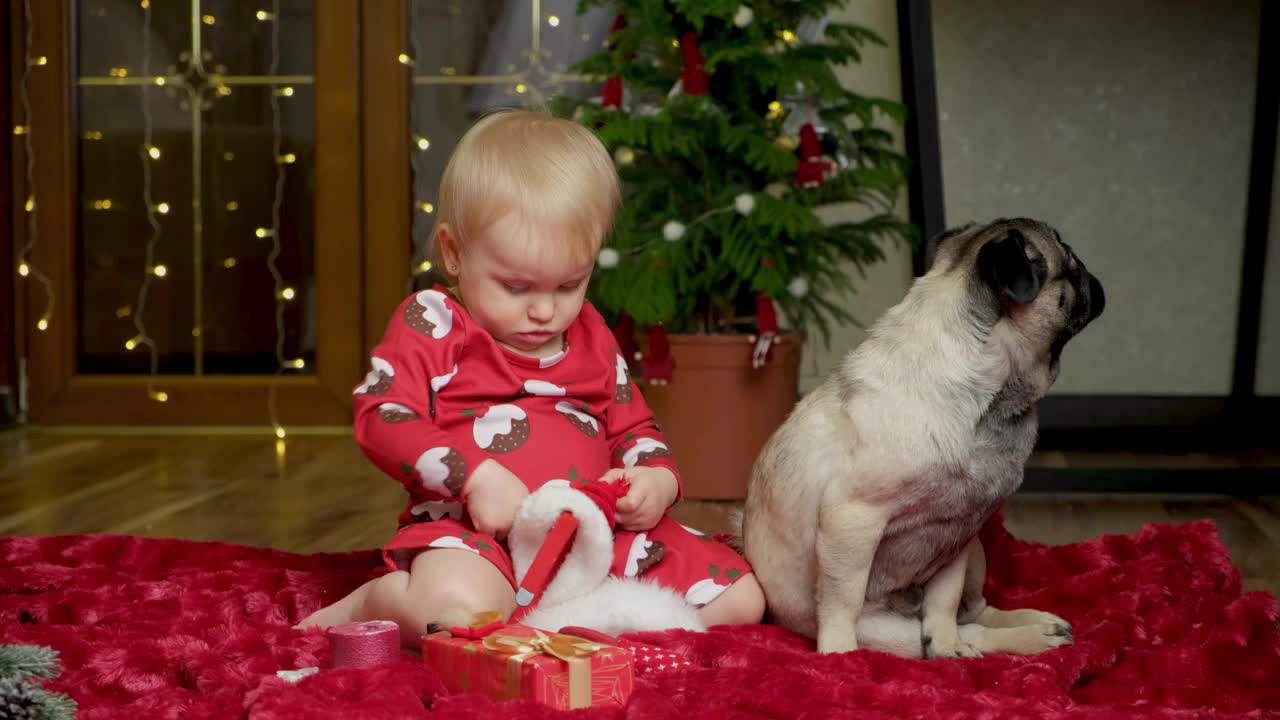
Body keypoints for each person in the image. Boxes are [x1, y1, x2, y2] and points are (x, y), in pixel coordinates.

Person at [297, 109, 764, 646]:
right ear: (454, 252)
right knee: (456, 613)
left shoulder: (590, 332)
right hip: (478, 539)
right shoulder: (433, 321)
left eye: (569, 284)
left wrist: (656, 480)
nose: (545, 311)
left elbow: (635, 430)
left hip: (594, 535)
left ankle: (560, 618)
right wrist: (474, 477)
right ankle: (380, 601)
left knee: (741, 601)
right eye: (517, 288)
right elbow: (382, 415)